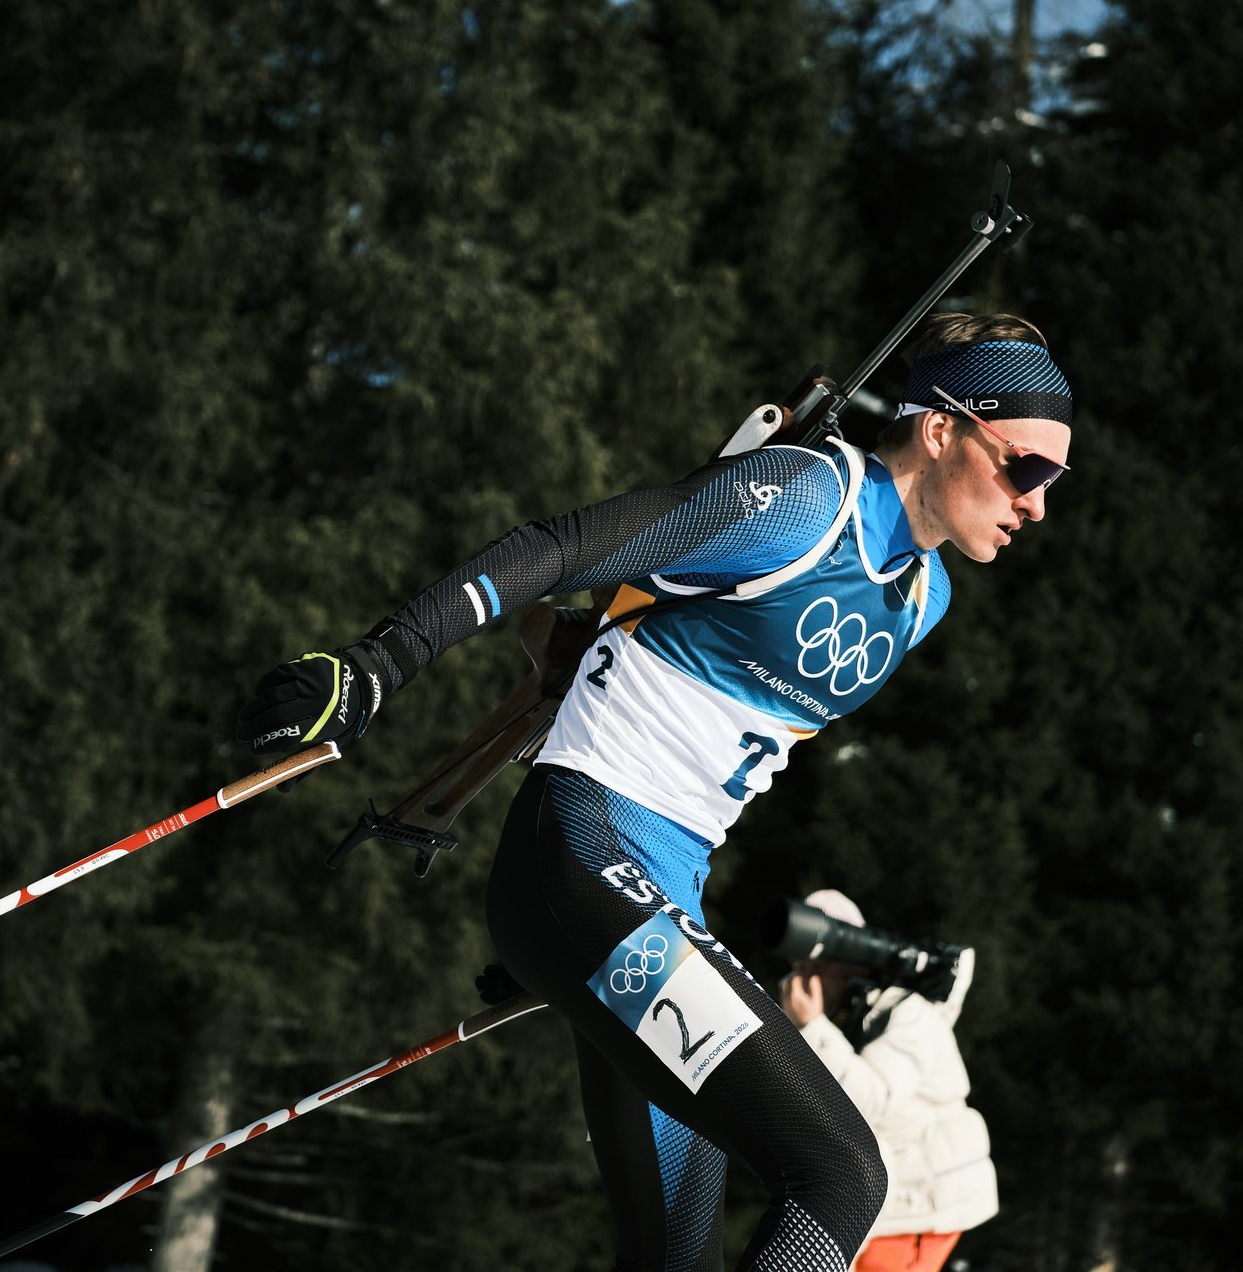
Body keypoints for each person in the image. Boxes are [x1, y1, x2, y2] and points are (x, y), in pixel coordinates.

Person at [236, 312, 1073, 1271]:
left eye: (1053, 481)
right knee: (841, 1174)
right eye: (1026, 469)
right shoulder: (804, 500)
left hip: (641, 904)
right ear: (939, 429)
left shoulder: (921, 600)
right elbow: (563, 550)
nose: (1038, 506)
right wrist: (378, 664)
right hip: (584, 858)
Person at [777, 889, 997, 1272]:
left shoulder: (908, 1013)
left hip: (924, 1202)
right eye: (798, 965)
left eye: (816, 966)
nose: (804, 979)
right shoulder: (853, 1018)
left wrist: (811, 1027)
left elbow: (870, 1101)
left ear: (852, 960)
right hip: (893, 1206)